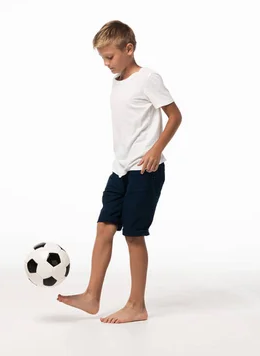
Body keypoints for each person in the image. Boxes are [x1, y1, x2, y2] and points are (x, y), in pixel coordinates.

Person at [57, 21, 182, 324]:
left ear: (129, 49)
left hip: (145, 170)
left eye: (109, 57)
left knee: (134, 235)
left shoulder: (149, 79)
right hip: (121, 169)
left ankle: (137, 305)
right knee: (104, 228)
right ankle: (91, 296)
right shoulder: (118, 79)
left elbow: (175, 116)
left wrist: (155, 149)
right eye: (102, 58)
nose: (105, 63)